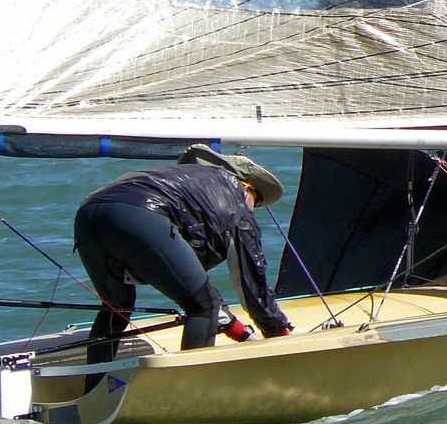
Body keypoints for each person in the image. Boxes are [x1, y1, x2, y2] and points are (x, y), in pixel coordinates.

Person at [73, 144, 293, 366]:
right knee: (203, 307)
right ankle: (191, 383)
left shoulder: (193, 192)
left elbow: (195, 282)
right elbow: (253, 283)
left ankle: (96, 382)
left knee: (116, 307)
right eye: (257, 201)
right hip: (140, 214)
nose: (253, 209)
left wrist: (242, 334)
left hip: (87, 215)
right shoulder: (235, 199)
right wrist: (279, 335)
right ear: (247, 188)